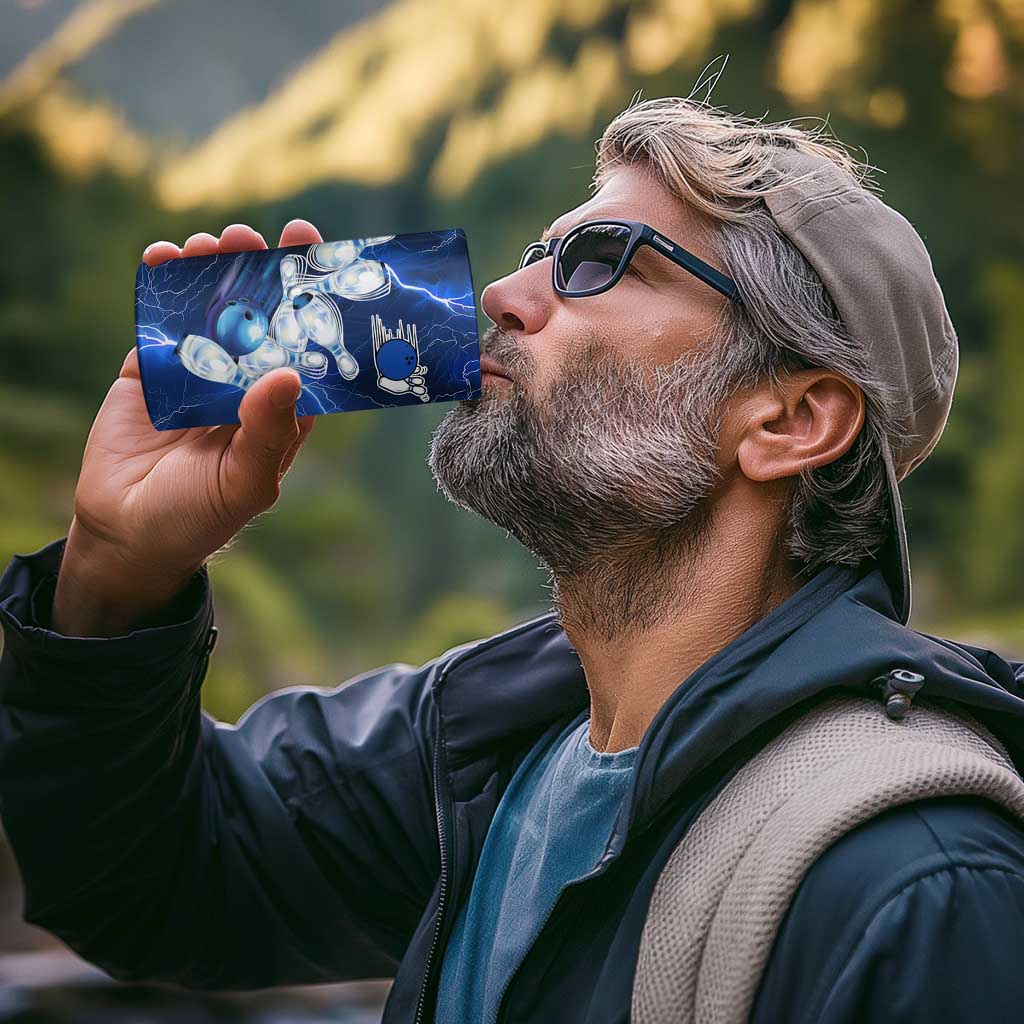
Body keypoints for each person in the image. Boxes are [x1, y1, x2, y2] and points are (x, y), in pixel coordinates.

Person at [2, 94, 1024, 1024]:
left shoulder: (918, 884)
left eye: (599, 262)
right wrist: (115, 572)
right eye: (540, 252)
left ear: (790, 419)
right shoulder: (481, 748)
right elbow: (149, 880)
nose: (502, 291)